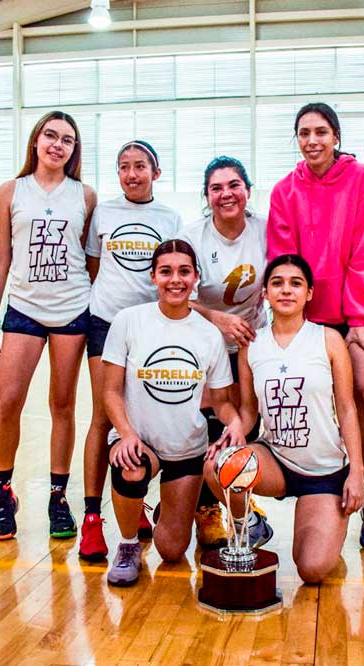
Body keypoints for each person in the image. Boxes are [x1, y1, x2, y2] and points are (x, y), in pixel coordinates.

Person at [266, 102, 364, 551]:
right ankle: (311, 485)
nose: (312, 140)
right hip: (307, 318)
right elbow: (285, 261)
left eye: (321, 131)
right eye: (304, 133)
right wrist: (297, 323)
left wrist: (358, 319)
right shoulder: (284, 192)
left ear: (336, 136)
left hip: (349, 315)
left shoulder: (360, 181)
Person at [203, 254, 364, 584]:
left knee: (313, 570)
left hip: (324, 471)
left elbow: (347, 409)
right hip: (276, 460)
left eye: (296, 283)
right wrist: (233, 430)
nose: (286, 290)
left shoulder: (328, 339)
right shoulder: (252, 346)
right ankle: (251, 523)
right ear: (265, 293)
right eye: (277, 283)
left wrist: (357, 473)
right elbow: (249, 412)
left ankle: (328, 531)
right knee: (217, 465)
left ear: (309, 293)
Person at [101, 239, 246, 586]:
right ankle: (127, 545)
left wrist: (236, 421)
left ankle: (171, 506)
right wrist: (127, 434)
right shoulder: (128, 321)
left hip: (186, 448)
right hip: (139, 441)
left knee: (172, 549)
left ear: (196, 277)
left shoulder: (209, 335)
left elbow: (222, 401)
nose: (175, 280)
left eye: (184, 272)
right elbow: (109, 391)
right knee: (132, 468)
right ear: (153, 277)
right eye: (166, 272)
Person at [0, 111, 96, 541]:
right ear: (36, 141)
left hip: (71, 309)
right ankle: (2, 490)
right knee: (7, 403)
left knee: (62, 405)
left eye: (67, 139)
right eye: (51, 135)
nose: (58, 144)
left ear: (74, 150)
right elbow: (0, 258)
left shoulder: (85, 195)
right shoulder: (12, 191)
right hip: (23, 309)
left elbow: (89, 261)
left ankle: (57, 495)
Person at [78, 140, 182, 562]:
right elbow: (93, 266)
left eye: (140, 166)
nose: (132, 174)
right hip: (105, 324)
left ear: (156, 172)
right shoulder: (103, 212)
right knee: (103, 418)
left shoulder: (170, 217)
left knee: (143, 418)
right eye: (124, 167)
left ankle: (133, 502)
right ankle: (91, 520)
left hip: (151, 331)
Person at [178, 155, 270, 549]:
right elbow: (179, 297)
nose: (226, 194)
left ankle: (234, 495)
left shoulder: (266, 231)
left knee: (247, 426)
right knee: (211, 426)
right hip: (206, 342)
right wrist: (217, 319)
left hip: (253, 342)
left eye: (233, 185)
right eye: (216, 188)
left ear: (247, 191)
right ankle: (206, 506)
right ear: (207, 196)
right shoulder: (194, 236)